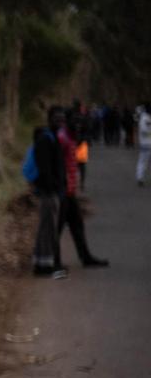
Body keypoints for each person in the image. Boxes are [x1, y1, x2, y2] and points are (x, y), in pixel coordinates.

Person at [55, 109, 108, 269]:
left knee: (77, 225)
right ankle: (55, 262)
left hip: (70, 192)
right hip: (62, 192)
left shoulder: (71, 139)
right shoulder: (63, 139)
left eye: (80, 122)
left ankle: (86, 257)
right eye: (75, 122)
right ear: (67, 122)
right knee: (57, 228)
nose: (78, 125)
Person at [31, 108, 65, 278]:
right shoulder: (46, 139)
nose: (60, 122)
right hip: (47, 192)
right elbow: (46, 168)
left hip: (48, 191)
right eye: (57, 119)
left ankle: (41, 263)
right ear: (50, 119)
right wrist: (53, 187)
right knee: (48, 229)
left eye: (62, 120)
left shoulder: (51, 137)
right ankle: (46, 265)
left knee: (45, 227)